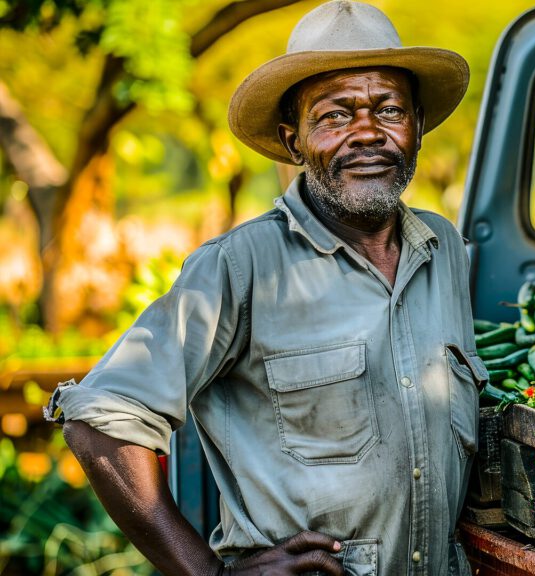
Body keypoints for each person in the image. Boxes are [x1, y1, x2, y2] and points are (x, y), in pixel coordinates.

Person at [44, 2, 484, 574]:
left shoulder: (443, 249)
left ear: (418, 126)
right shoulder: (240, 268)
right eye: (335, 116)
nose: (368, 133)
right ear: (293, 139)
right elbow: (101, 417)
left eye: (390, 109)